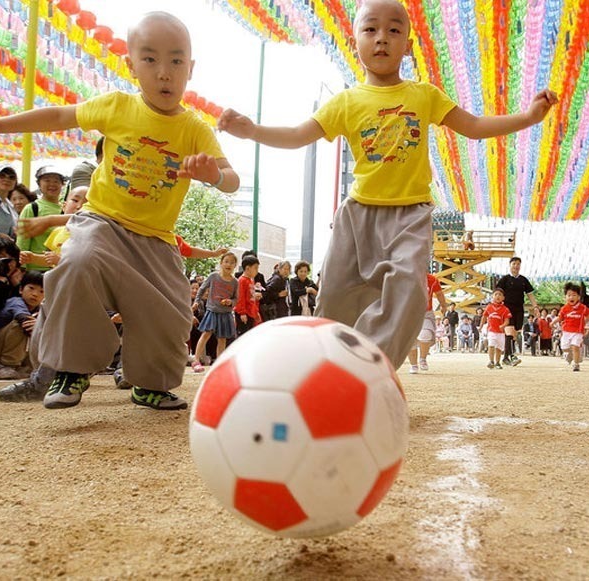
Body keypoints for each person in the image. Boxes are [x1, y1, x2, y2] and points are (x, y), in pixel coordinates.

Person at [217, 0, 557, 368]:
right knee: (336, 297)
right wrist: (252, 130)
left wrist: (527, 117)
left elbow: (473, 127)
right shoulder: (345, 101)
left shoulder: (424, 95)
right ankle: (328, 364)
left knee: (407, 291)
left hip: (410, 216)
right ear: (355, 41)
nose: (382, 38)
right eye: (370, 29)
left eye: (394, 30)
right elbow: (298, 134)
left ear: (408, 46)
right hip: (357, 215)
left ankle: (372, 367)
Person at [0, 11, 239, 410]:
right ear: (132, 66)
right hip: (101, 222)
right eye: (150, 59)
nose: (164, 73)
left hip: (156, 239)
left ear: (190, 69)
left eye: (176, 61)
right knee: (75, 263)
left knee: (172, 312)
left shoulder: (195, 129)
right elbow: (57, 115)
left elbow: (231, 178)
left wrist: (214, 174)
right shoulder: (116, 106)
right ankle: (71, 369)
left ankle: (150, 383)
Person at [0, 270, 43, 379]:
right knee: (25, 324)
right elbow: (24, 319)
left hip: (17, 353)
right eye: (31, 288)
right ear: (21, 289)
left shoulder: (41, 310)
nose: (35, 294)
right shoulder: (15, 301)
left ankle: (25, 367)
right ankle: (7, 365)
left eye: (41, 291)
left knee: (43, 328)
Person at [192, 252, 239, 373]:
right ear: (221, 263)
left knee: (222, 339)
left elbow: (236, 299)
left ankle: (218, 363)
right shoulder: (213, 276)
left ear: (235, 265)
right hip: (212, 311)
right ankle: (196, 360)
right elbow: (202, 289)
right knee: (206, 334)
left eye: (232, 262)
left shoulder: (235, 282)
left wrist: (230, 302)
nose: (229, 264)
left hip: (225, 313)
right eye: (226, 261)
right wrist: (196, 301)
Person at [15, 166, 66, 271]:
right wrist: (21, 269)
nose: (52, 184)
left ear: (62, 185)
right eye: (47, 180)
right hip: (36, 269)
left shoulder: (67, 209)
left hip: (61, 268)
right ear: (39, 184)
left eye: (56, 181)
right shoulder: (32, 208)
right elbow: (22, 241)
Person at [495, 257, 540, 366]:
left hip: (519, 309)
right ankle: (512, 356)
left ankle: (506, 357)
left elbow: (530, 294)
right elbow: (497, 294)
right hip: (506, 308)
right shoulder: (504, 279)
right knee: (509, 331)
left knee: (514, 334)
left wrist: (535, 307)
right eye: (514, 264)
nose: (516, 266)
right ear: (510, 265)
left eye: (518, 264)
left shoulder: (523, 280)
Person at [408, 273, 447, 373]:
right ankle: (413, 365)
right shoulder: (404, 275)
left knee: (425, 334)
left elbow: (439, 293)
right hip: (407, 313)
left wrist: (443, 305)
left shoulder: (432, 280)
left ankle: (423, 359)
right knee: (409, 340)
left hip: (426, 312)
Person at [558, 282, 589, 372]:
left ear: (578, 297)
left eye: (574, 295)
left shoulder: (582, 308)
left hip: (578, 331)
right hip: (566, 331)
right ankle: (572, 354)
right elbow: (559, 317)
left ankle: (576, 364)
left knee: (575, 347)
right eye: (569, 295)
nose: (571, 297)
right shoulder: (564, 308)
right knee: (565, 348)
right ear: (566, 297)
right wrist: (552, 323)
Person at [481, 288, 511, 369]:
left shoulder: (505, 309)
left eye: (500, 295)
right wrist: (481, 326)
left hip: (501, 332)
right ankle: (491, 361)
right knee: (491, 345)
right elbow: (484, 317)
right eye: (496, 294)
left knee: (499, 348)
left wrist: (503, 325)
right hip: (491, 331)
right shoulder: (489, 307)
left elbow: (507, 320)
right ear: (492, 296)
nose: (498, 296)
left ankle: (497, 362)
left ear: (503, 298)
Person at [234, 254, 262, 336]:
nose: (257, 271)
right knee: (243, 335)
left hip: (251, 312)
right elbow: (240, 298)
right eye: (255, 268)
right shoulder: (242, 281)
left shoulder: (251, 280)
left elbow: (251, 298)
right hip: (244, 313)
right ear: (247, 268)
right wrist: (242, 313)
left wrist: (256, 311)